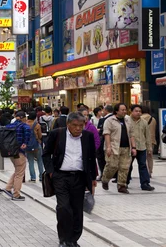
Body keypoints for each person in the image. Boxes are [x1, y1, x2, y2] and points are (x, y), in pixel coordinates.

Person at [43, 112, 97, 247]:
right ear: (68, 125)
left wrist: (93, 178)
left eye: (81, 125)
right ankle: (63, 239)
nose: (78, 128)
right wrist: (51, 172)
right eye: (75, 126)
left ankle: (73, 239)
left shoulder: (88, 137)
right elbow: (46, 154)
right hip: (60, 176)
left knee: (77, 210)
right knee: (63, 208)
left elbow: (91, 157)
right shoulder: (57, 134)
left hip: (79, 177)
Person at [101, 103, 133, 193]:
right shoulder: (109, 120)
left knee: (124, 167)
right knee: (112, 166)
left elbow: (131, 134)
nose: (124, 111)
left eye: (125, 110)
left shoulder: (127, 120)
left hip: (126, 147)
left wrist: (133, 147)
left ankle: (121, 185)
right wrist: (108, 147)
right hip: (113, 147)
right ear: (116, 111)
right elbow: (106, 134)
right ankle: (105, 179)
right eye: (122, 110)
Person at [4, 111, 31, 201]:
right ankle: (16, 194)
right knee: (20, 173)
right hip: (20, 152)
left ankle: (8, 188)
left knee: (17, 171)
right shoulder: (24, 126)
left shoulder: (9, 126)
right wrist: (25, 143)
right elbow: (28, 135)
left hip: (11, 152)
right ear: (23, 117)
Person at [127, 104, 154, 191]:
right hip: (130, 147)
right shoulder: (127, 120)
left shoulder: (144, 122)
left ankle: (145, 183)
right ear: (131, 111)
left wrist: (149, 148)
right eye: (136, 111)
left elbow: (147, 135)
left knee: (142, 165)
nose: (138, 113)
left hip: (142, 147)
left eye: (140, 111)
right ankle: (124, 182)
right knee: (128, 165)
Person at [96, 104, 115, 176]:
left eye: (103, 110)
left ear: (106, 111)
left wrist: (99, 130)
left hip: (104, 140)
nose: (102, 112)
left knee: (101, 157)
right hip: (115, 141)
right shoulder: (115, 118)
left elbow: (101, 131)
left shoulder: (103, 119)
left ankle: (104, 174)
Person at [25, 111, 43, 182]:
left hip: (28, 145)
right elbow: (40, 135)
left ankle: (33, 177)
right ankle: (41, 176)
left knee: (30, 161)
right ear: (35, 117)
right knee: (40, 161)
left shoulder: (25, 124)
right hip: (36, 144)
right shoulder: (37, 125)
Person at [140, 106, 157, 176]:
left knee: (143, 157)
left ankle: (145, 171)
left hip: (142, 140)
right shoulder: (153, 119)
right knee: (150, 156)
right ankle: (150, 171)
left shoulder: (140, 119)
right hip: (151, 140)